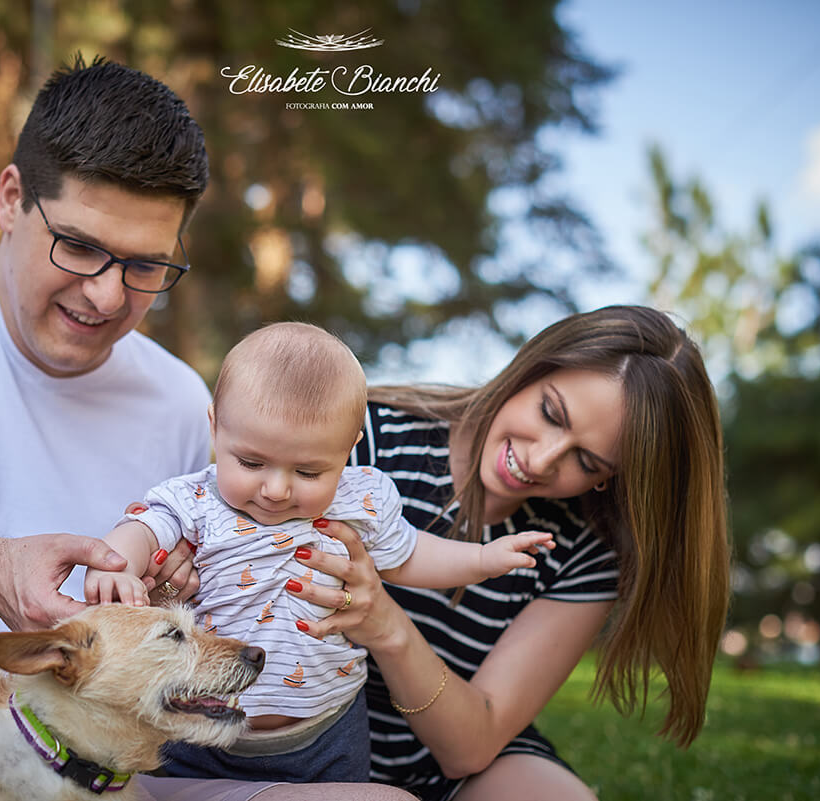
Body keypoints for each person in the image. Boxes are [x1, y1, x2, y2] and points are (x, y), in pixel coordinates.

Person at [0, 55, 415, 801]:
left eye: (146, 265)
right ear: (10, 199)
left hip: (93, 755)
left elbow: (215, 599)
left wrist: (184, 585)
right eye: (82, 246)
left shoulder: (179, 399)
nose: (106, 294)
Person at [279, 305, 730, 801]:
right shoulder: (363, 441)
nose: (538, 461)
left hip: (452, 762)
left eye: (585, 460)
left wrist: (386, 624)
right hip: (301, 737)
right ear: (531, 368)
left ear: (610, 478)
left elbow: (470, 749)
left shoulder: (585, 553)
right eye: (550, 413)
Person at [84, 322, 554, 784]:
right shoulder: (197, 500)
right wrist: (119, 566)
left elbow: (409, 556)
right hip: (198, 719)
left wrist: (482, 558)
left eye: (309, 472)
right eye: (250, 463)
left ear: (349, 449)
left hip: (328, 729)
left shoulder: (358, 500)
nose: (275, 489)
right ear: (215, 426)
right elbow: (143, 528)